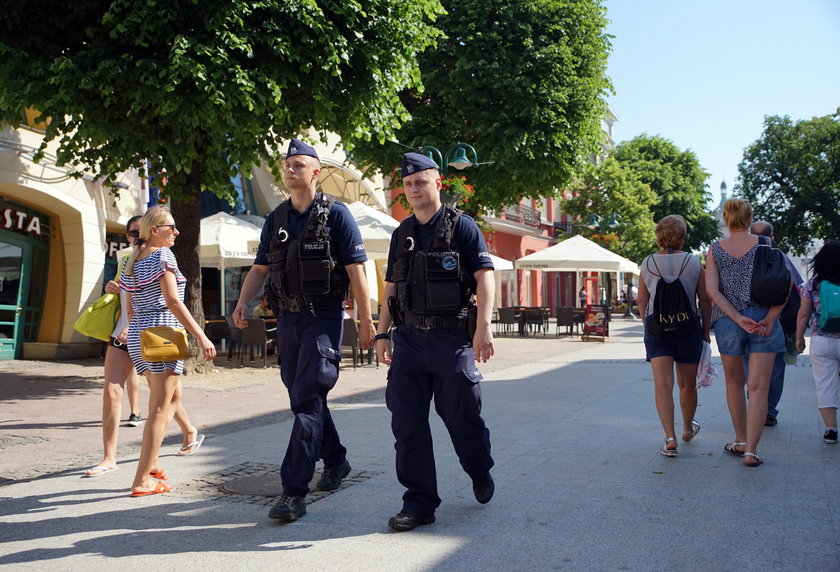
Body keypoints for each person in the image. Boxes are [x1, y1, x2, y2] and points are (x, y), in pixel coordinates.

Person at [232, 138, 374, 523]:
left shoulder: (337, 215)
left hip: (323, 317)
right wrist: (243, 301)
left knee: (307, 400)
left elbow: (356, 271)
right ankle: (337, 460)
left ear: (315, 172)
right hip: (288, 321)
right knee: (303, 397)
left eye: (298, 164)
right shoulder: (275, 218)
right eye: (287, 164)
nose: (290, 169)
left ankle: (293, 491)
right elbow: (260, 268)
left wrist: (365, 321)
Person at [375, 152, 496, 532]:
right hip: (409, 340)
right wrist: (382, 333)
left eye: (420, 182)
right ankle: (419, 503)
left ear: (438, 183)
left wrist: (484, 327)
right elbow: (392, 287)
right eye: (408, 184)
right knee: (407, 424)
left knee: (463, 419)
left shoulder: (463, 227)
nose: (413, 189)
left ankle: (478, 468)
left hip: (451, 340)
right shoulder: (401, 233)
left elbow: (485, 277)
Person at [120, 206, 216, 496]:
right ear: (154, 231)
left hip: (140, 331)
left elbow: (131, 303)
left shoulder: (134, 259)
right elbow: (174, 301)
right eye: (170, 227)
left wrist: (133, 327)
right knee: (160, 409)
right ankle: (142, 480)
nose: (176, 232)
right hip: (162, 330)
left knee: (172, 397)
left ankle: (153, 464)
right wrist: (201, 335)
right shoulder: (162, 255)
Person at [705, 198, 787, 467]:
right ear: (750, 218)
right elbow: (783, 286)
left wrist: (738, 317)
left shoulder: (715, 249)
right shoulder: (766, 244)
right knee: (760, 387)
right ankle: (752, 451)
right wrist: (770, 318)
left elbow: (712, 292)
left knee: (733, 383)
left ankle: (739, 439)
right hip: (763, 320)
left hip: (729, 322)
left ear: (726, 219)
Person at [637, 215, 711, 457]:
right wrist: (705, 329)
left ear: (659, 235)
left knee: (662, 384)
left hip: (657, 329)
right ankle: (688, 429)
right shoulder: (693, 262)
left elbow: (642, 299)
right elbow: (704, 299)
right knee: (687, 384)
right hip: (688, 328)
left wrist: (646, 322)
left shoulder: (647, 263)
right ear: (682, 235)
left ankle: (669, 437)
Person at [82, 216, 145, 477]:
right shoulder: (124, 259)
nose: (137, 237)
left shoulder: (163, 258)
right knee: (111, 390)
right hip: (122, 331)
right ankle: (109, 458)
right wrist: (112, 287)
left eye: (142, 232)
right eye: (132, 233)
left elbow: (170, 300)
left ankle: (188, 430)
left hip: (150, 333)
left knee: (168, 398)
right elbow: (123, 292)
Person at [746, 220, 804, 427]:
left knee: (748, 362)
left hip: (747, 320)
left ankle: (755, 404)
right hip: (778, 321)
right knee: (776, 368)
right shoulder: (783, 259)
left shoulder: (744, 258)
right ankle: (768, 410)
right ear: (773, 236)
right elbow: (799, 289)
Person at [795, 240, 840, 444]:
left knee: (825, 384)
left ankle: (831, 430)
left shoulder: (813, 284)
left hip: (822, 341)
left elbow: (803, 315)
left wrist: (799, 338)